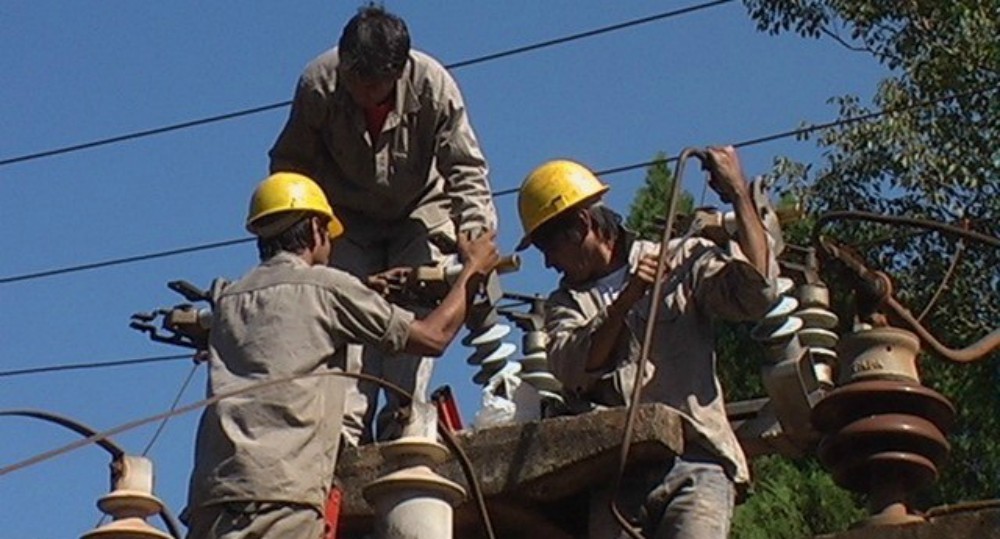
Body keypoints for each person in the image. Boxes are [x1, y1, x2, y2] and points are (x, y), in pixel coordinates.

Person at [184, 172, 498, 539]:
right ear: (316, 229)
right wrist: (472, 272)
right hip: (282, 497)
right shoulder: (328, 287)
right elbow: (433, 337)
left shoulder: (228, 299)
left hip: (212, 498)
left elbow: (289, 315)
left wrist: (363, 292)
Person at [515, 148, 776, 538]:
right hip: (618, 478)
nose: (550, 264)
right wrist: (630, 297)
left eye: (549, 248)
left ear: (583, 223)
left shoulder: (681, 259)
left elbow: (756, 294)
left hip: (695, 462)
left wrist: (738, 193)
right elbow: (573, 369)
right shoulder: (566, 304)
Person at [269, 5, 497, 445]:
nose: (364, 91)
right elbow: (290, 165)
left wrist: (474, 239)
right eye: (356, 79)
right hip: (345, 222)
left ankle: (402, 434)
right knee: (349, 335)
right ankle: (344, 443)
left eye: (375, 84)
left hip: (420, 214)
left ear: (398, 71)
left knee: (410, 328)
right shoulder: (319, 84)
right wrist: (296, 245)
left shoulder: (433, 85)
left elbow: (466, 169)